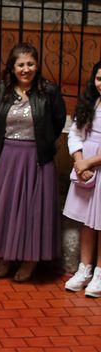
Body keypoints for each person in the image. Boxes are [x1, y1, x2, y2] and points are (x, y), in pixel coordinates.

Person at [0, 42, 66, 282]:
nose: (26, 69)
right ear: (12, 67)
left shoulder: (49, 91)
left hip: (37, 158)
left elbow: (58, 122)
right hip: (6, 157)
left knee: (31, 209)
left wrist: (41, 143)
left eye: (30, 64)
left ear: (37, 66)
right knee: (7, 207)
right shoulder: (2, 90)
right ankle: (6, 255)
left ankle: (30, 260)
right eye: (21, 64)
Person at [63, 60, 101, 297]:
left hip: (97, 164)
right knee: (87, 223)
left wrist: (90, 162)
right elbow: (76, 133)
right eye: (99, 78)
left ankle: (100, 272)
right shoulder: (90, 102)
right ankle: (84, 268)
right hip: (85, 170)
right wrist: (79, 160)